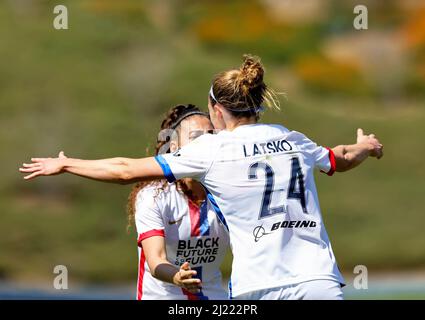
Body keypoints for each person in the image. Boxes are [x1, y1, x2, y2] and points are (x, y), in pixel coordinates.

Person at [20, 55, 383, 300]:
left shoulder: (212, 150)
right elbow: (341, 158)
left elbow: (124, 170)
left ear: (216, 109)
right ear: (258, 103)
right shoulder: (292, 138)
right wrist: (364, 145)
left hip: (258, 287)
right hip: (318, 280)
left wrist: (68, 164)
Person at [128, 104, 229, 300]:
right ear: (174, 148)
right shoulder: (154, 196)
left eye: (211, 137)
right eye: (196, 138)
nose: (205, 144)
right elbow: (156, 260)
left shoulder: (226, 193)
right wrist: (177, 276)